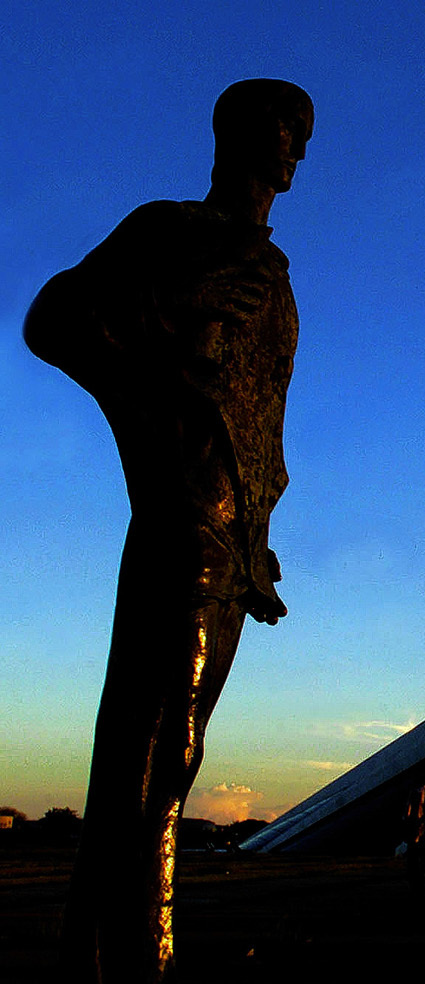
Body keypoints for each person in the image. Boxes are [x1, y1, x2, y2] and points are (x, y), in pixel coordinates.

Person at [25, 79, 312, 982]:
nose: (292, 149)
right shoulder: (170, 233)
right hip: (180, 517)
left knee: (167, 764)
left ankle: (103, 955)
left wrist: (259, 529)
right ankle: (139, 960)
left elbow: (263, 418)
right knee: (157, 752)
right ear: (230, 135)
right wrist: (168, 323)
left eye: (301, 137)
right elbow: (54, 321)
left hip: (234, 541)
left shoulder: (278, 282)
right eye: (278, 130)